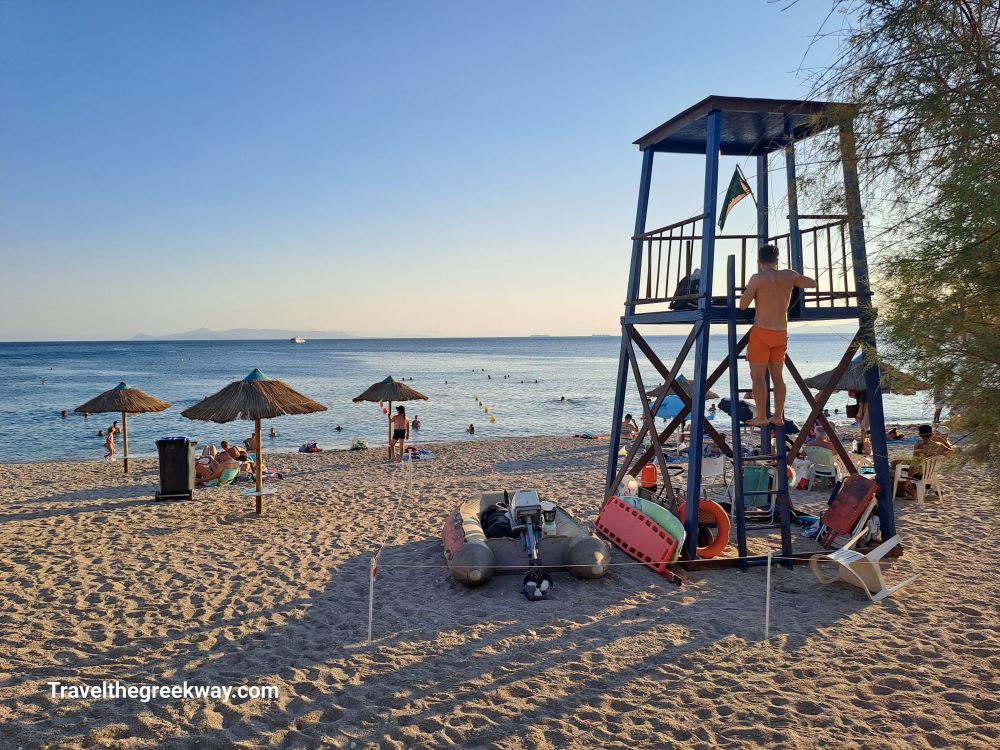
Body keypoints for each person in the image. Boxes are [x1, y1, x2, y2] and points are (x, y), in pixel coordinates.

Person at [739, 244, 816, 427]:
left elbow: (743, 305)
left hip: (762, 332)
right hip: (781, 332)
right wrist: (793, 278)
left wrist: (752, 291)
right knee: (778, 377)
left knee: (757, 377)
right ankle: (778, 416)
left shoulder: (758, 278)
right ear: (777, 260)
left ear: (759, 262)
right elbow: (811, 283)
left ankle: (762, 416)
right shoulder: (788, 275)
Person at [902, 424, 954, 499]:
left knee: (893, 474)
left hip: (920, 474)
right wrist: (943, 441)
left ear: (920, 434)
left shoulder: (919, 445)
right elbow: (951, 451)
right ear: (932, 434)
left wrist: (909, 479)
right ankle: (916, 491)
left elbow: (914, 464)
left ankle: (912, 494)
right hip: (931, 473)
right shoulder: (939, 445)